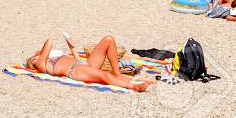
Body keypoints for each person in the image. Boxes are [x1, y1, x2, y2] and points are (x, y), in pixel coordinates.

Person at [24, 35, 152, 91]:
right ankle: (134, 86)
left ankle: (118, 74)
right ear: (34, 65)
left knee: (108, 39)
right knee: (104, 76)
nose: (36, 57)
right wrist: (39, 54)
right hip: (75, 71)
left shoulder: (51, 59)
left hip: (83, 64)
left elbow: (75, 57)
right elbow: (49, 41)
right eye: (33, 59)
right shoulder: (41, 65)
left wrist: (72, 47)